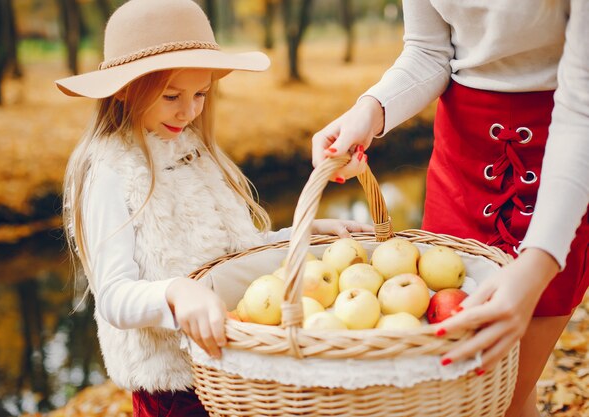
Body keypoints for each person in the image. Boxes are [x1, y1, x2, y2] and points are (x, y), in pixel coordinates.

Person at [56, 1, 372, 416]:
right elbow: (114, 297)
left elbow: (235, 255)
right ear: (126, 88)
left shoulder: (194, 152)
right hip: (176, 391)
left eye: (201, 94)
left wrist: (297, 238)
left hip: (238, 373)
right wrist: (175, 292)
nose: (189, 111)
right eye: (172, 96)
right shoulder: (110, 172)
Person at [312, 1, 589, 416]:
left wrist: (539, 262)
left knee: (498, 397)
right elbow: (428, 50)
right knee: (481, 398)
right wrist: (369, 112)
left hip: (561, 161)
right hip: (461, 163)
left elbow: (583, 107)